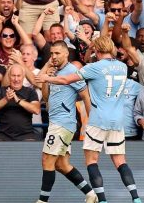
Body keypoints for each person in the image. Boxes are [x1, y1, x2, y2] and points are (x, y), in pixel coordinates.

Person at [39, 36, 142, 203]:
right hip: (117, 121)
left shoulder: (94, 67)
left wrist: (46, 78)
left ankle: (101, 200)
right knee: (121, 162)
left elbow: (66, 79)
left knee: (91, 161)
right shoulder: (123, 67)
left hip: (98, 119)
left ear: (97, 50)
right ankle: (136, 198)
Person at [34, 40, 97, 203]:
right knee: (61, 164)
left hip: (63, 123)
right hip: (56, 123)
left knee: (46, 160)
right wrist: (48, 75)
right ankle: (90, 194)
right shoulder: (54, 72)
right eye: (51, 54)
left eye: (57, 53)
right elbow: (45, 96)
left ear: (66, 53)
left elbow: (85, 96)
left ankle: (42, 201)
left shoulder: (72, 71)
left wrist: (92, 121)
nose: (53, 56)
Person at [0, 64, 40, 140]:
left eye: (18, 76)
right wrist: (6, 99)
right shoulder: (1, 91)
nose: (16, 79)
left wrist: (18, 101)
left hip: (26, 136)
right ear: (9, 76)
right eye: (13, 76)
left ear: (23, 77)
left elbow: (36, 110)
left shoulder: (30, 91)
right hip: (4, 136)